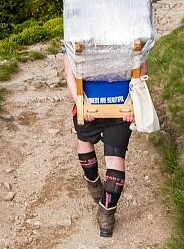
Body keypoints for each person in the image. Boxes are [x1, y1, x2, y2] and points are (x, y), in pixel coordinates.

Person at [63, 56, 148, 237]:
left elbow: (69, 71)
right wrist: (132, 102)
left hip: (88, 102)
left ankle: (94, 186)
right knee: (115, 158)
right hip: (123, 104)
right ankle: (106, 215)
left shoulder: (79, 29)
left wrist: (81, 103)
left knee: (85, 141)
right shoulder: (131, 29)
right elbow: (141, 67)